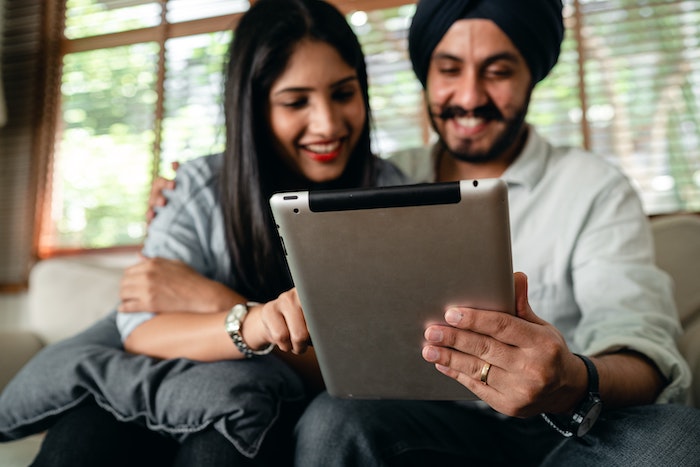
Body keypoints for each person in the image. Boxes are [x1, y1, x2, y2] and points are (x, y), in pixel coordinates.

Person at [288, 1, 700, 466]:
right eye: (449, 69)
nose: (469, 96)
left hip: (566, 429)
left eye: (498, 71)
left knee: (681, 439)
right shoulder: (385, 179)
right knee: (331, 419)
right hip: (431, 428)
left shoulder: (591, 185)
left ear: (533, 74)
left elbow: (641, 347)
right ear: (427, 72)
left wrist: (569, 378)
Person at [0, 1, 408, 466]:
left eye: (343, 93)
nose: (328, 124)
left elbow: (375, 370)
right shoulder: (197, 188)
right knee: (81, 436)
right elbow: (142, 330)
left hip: (267, 407)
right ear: (252, 107)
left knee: (224, 445)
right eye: (296, 102)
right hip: (169, 388)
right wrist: (250, 321)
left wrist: (218, 302)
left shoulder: (388, 194)